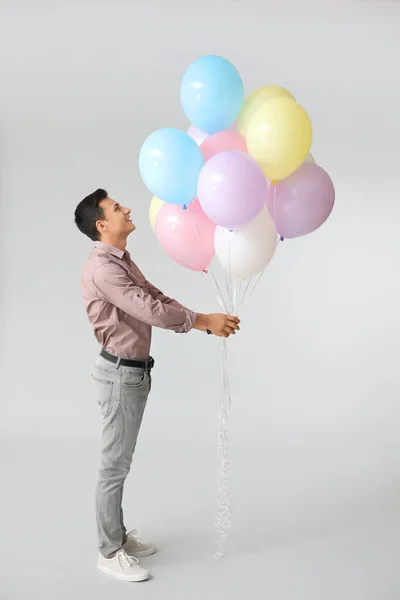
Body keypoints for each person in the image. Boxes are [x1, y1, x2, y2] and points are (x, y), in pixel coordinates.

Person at [74, 188, 240, 583]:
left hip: (132, 372)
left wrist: (200, 318)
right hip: (119, 376)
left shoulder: (119, 259)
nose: (126, 208)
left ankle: (117, 536)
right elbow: (147, 309)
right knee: (114, 466)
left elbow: (153, 295)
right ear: (102, 225)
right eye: (117, 208)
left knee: (121, 461)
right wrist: (201, 320)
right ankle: (108, 551)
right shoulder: (103, 268)